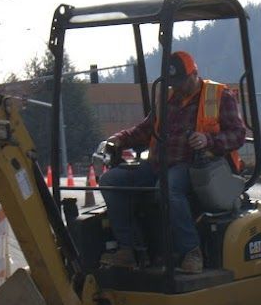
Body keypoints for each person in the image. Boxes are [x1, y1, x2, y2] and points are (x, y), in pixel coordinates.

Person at [96, 49, 245, 273]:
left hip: (197, 166)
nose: (177, 87)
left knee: (167, 188)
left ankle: (192, 250)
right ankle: (130, 249)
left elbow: (238, 134)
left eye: (182, 81)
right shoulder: (167, 98)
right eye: (173, 81)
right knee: (111, 180)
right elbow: (145, 130)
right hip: (157, 164)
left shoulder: (218, 95)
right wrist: (119, 140)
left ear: (194, 73)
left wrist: (208, 140)